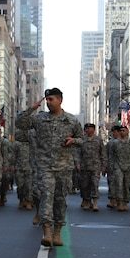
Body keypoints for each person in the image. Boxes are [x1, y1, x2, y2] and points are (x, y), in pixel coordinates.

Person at [15, 88, 83, 247]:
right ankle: (46, 231)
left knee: (60, 200)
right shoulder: (39, 119)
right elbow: (20, 123)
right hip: (44, 165)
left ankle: (58, 232)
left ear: (60, 100)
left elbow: (81, 139)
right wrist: (32, 108)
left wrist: (73, 141)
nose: (48, 102)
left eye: (51, 99)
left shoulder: (71, 120)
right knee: (46, 195)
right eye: (47, 99)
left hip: (64, 167)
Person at [110, 125, 130, 212]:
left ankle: (125, 202)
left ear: (127, 131)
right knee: (119, 184)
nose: (122, 132)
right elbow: (111, 156)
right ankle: (120, 202)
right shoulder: (115, 143)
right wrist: (111, 167)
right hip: (118, 166)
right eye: (121, 130)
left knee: (127, 185)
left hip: (128, 167)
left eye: (124, 130)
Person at [76, 123, 107, 211]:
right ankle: (87, 201)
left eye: (89, 128)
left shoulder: (98, 140)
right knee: (85, 185)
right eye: (86, 128)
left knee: (95, 184)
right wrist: (77, 164)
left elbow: (103, 154)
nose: (87, 130)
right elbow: (77, 153)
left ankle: (95, 202)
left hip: (95, 166)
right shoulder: (82, 140)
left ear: (93, 129)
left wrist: (104, 166)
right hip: (84, 166)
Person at [11, 129, 32, 210]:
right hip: (19, 167)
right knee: (20, 186)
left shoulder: (32, 143)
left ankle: (29, 201)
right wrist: (12, 165)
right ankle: (21, 200)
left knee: (29, 186)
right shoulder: (17, 144)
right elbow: (13, 155)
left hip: (30, 167)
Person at [106, 125, 120, 208]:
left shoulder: (125, 142)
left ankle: (120, 200)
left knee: (121, 184)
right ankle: (112, 200)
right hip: (111, 166)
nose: (113, 133)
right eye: (113, 132)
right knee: (111, 183)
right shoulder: (110, 143)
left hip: (122, 166)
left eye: (115, 132)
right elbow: (106, 154)